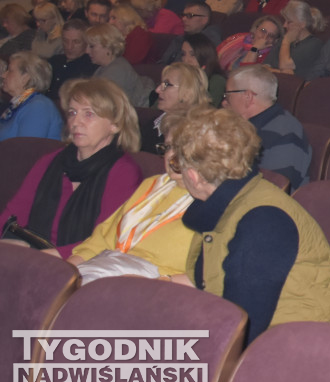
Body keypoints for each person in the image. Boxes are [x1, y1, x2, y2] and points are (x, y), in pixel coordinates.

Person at [169, 106, 330, 343]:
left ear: (194, 175)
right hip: (275, 340)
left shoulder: (262, 222)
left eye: (178, 166)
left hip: (311, 348)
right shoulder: (229, 205)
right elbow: (211, 281)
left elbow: (241, 330)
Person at [3, 78, 143, 257]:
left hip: (75, 267)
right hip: (31, 255)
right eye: (72, 113)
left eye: (88, 114)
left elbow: (105, 241)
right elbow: (13, 214)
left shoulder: (123, 173)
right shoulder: (50, 161)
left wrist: (46, 256)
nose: (76, 122)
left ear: (115, 124)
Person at [68, 109, 194, 281]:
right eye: (169, 146)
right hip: (106, 270)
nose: (172, 155)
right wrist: (66, 272)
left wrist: (156, 285)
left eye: (183, 147)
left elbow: (208, 276)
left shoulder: (212, 200)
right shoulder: (153, 185)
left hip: (155, 286)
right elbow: (100, 240)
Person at [221, 64, 312, 191]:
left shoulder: (284, 134)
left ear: (248, 97)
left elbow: (272, 191)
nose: (224, 101)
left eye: (228, 95)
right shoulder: (244, 125)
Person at [140, 62, 210, 155]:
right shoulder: (153, 123)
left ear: (187, 93)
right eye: (160, 84)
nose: (157, 90)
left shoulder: (195, 133)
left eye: (166, 84)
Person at [84, 24, 154, 107]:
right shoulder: (107, 66)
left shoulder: (116, 70)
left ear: (108, 46)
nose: (87, 51)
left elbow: (102, 106)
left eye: (92, 46)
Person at [0, 51, 63, 141]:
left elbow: (27, 150)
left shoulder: (38, 107)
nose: (3, 75)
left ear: (25, 78)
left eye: (10, 70)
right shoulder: (18, 104)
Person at [264, 0, 326, 80]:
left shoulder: (315, 44)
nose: (284, 25)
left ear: (302, 24)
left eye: (289, 22)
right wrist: (279, 71)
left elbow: (286, 71)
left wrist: (286, 42)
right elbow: (264, 67)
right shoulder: (283, 40)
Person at [48, 20, 98, 100]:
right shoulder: (54, 61)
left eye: (76, 42)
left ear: (86, 42)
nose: (69, 47)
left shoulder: (90, 68)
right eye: (65, 41)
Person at [217, 15, 282, 72]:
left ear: (275, 40)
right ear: (255, 29)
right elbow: (214, 56)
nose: (265, 37)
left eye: (271, 36)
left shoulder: (270, 56)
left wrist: (255, 48)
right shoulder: (238, 38)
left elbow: (245, 72)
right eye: (263, 31)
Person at [181, 33, 227, 106]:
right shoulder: (179, 77)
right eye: (183, 54)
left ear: (204, 56)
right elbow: (158, 107)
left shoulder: (217, 81)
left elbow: (205, 110)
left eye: (193, 55)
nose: (186, 60)